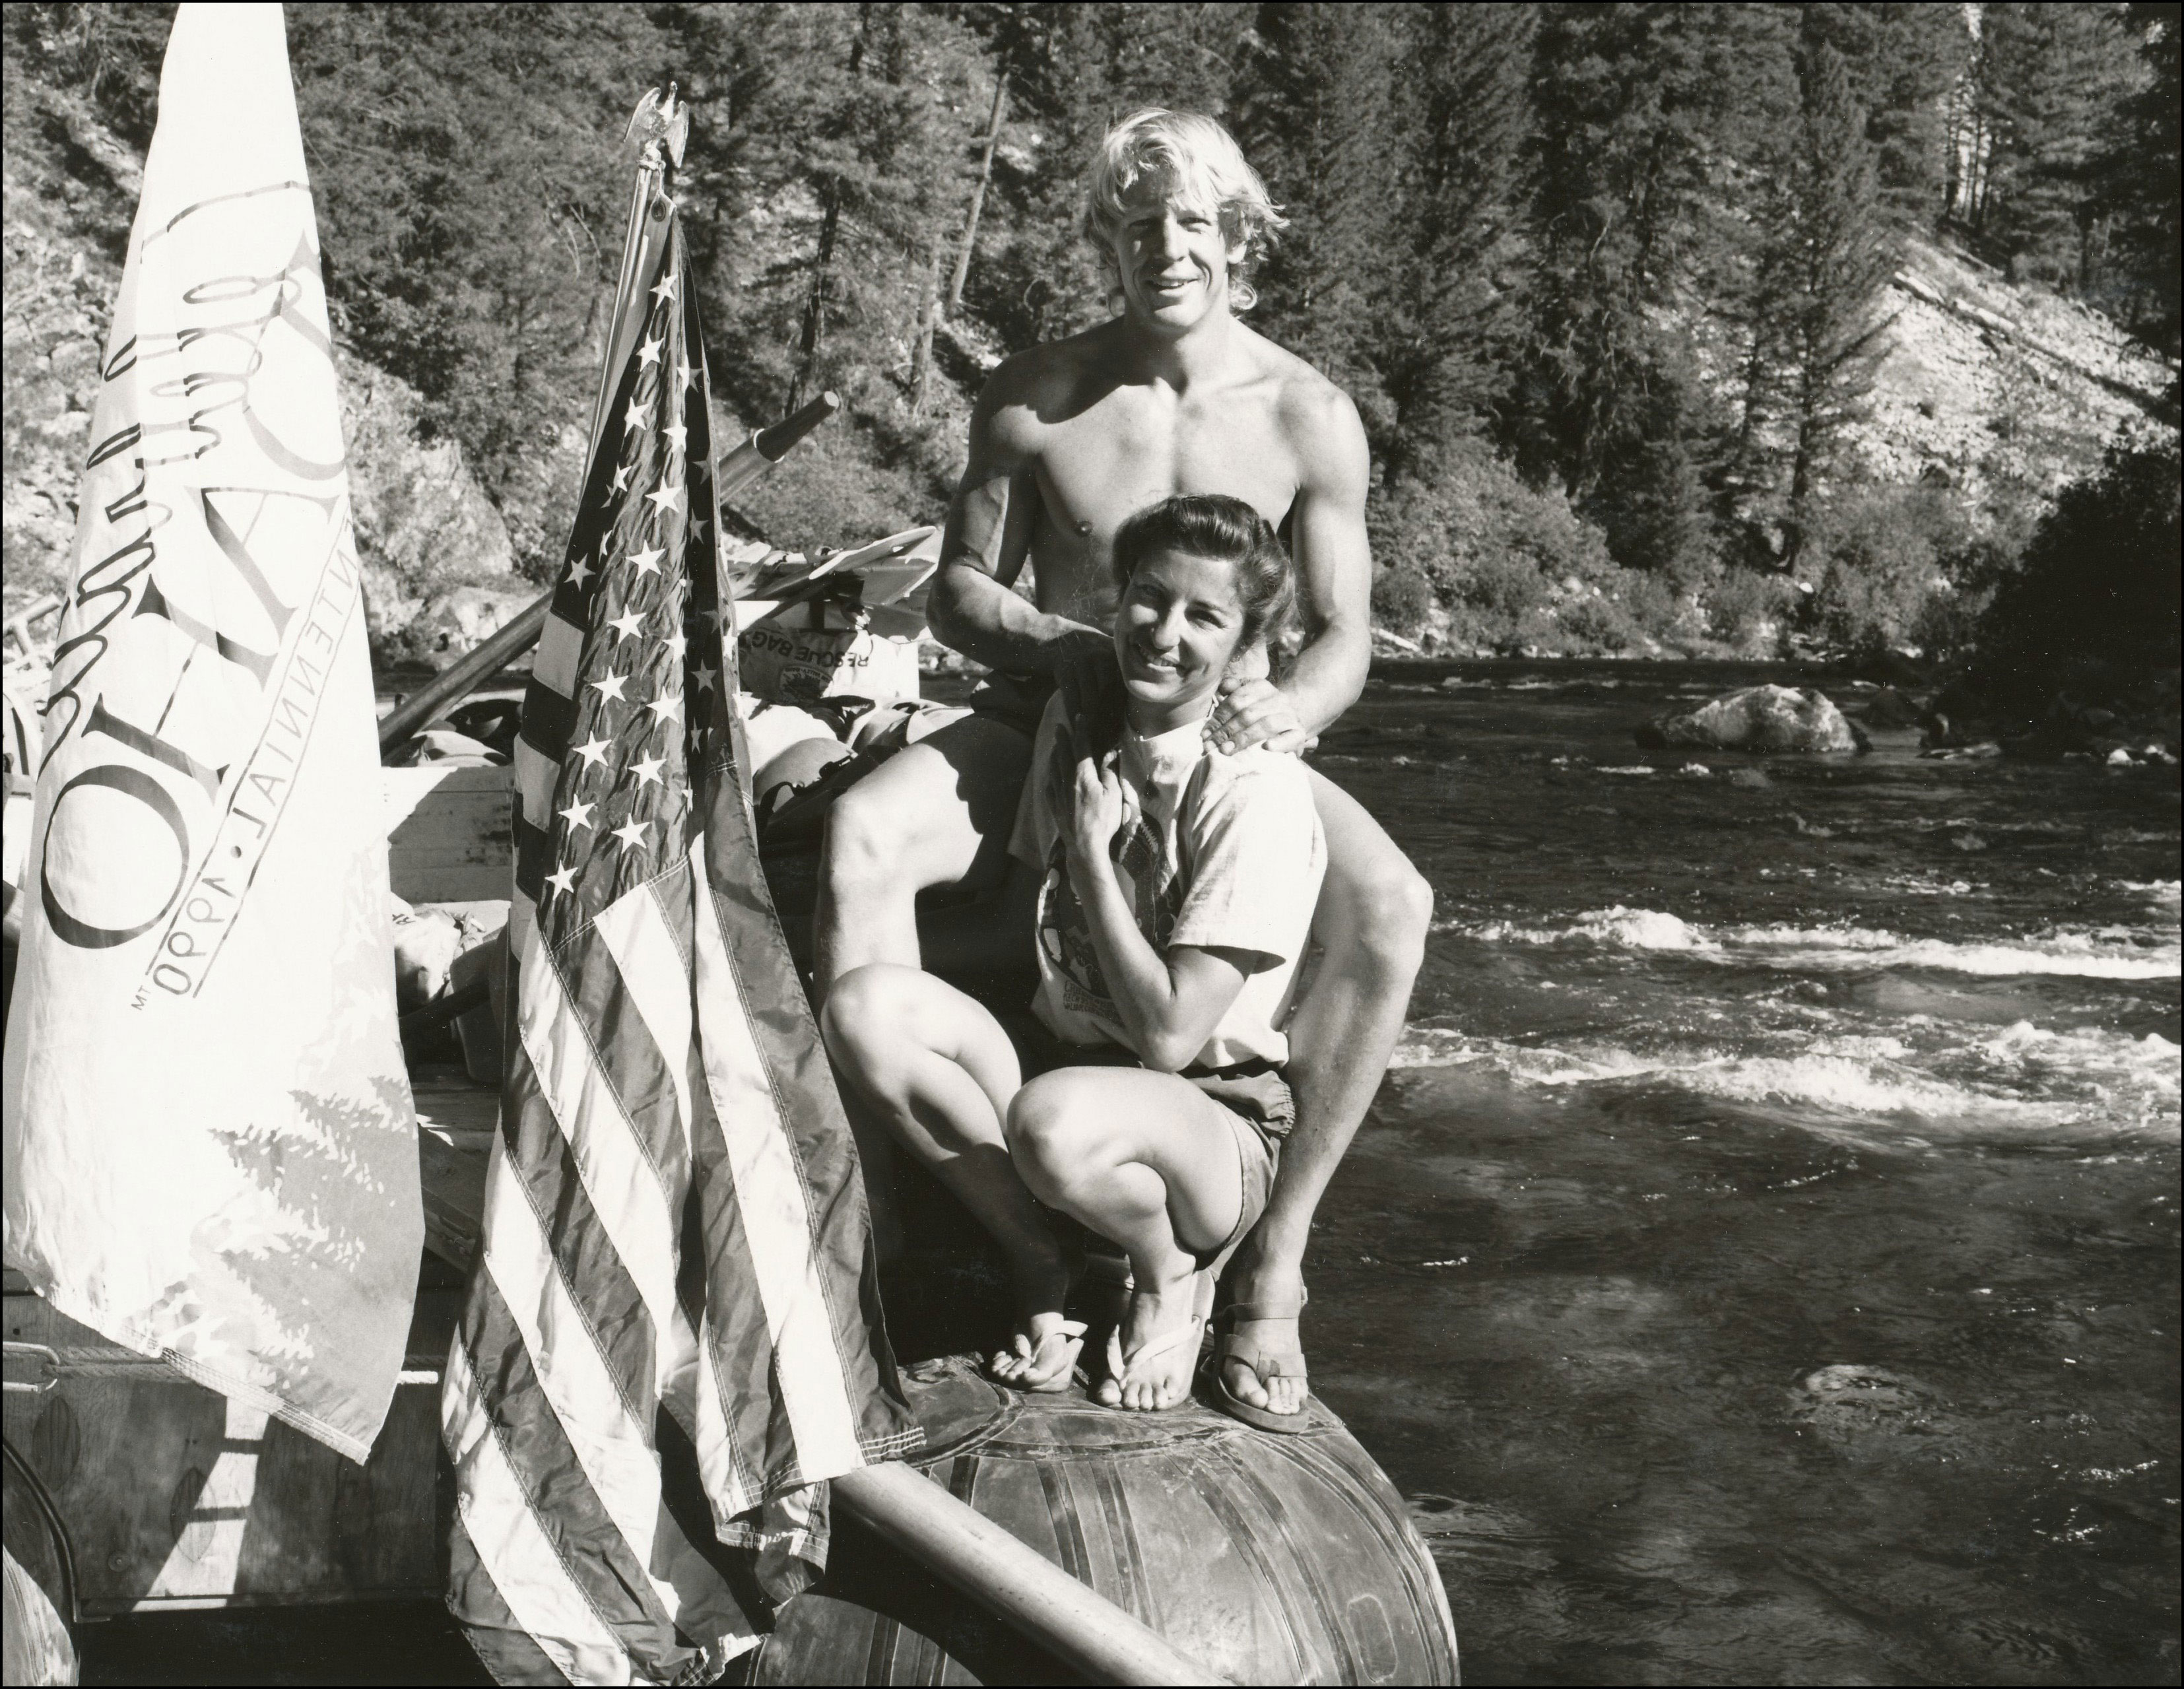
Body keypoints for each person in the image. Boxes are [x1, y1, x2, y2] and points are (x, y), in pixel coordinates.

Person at [816, 110, 1431, 1428]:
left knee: (1392, 905)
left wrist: (1285, 710)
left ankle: (1266, 1268)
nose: (1168, 247)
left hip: (1214, 739)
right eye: (1141, 222)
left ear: (1238, 235)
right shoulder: (1033, 396)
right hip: (1046, 705)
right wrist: (1055, 640)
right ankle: (880, 1230)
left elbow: (1343, 629)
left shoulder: (1305, 413)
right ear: (1107, 234)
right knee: (864, 827)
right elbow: (962, 588)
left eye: (1195, 222)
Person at [823, 494, 1322, 1412]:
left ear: (1246, 644)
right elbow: (1026, 933)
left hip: (1207, 1128)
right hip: (1069, 1073)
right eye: (1149, 597)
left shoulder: (1255, 792)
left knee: (1053, 1122)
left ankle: (1173, 1276)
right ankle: (1037, 1261)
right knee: (862, 1006)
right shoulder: (1073, 720)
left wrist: (1094, 858)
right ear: (1115, 595)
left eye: (1204, 617)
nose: (1164, 633)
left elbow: (1172, 1037)